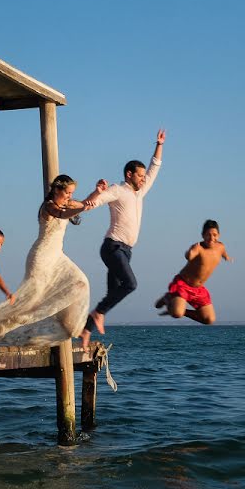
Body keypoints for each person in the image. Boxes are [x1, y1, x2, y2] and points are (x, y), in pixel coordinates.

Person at [0, 175, 106, 347]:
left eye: (71, 193)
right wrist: (80, 209)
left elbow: (85, 204)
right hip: (41, 258)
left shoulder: (67, 204)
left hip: (58, 257)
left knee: (81, 283)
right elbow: (62, 214)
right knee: (29, 304)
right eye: (67, 192)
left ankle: (66, 323)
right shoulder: (48, 207)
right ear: (56, 190)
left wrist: (96, 192)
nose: (69, 196)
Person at [80, 128, 166, 348]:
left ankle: (86, 330)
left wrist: (159, 145)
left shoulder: (140, 192)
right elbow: (94, 203)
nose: (143, 178)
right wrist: (95, 193)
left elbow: (154, 168)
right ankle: (97, 313)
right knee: (130, 284)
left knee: (112, 293)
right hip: (112, 247)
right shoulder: (118, 190)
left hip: (126, 251)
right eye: (139, 175)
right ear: (129, 174)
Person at [155, 219, 232, 325]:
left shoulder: (220, 246)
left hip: (198, 290)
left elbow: (223, 252)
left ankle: (182, 311)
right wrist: (189, 254)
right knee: (177, 314)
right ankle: (168, 298)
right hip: (183, 285)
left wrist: (226, 257)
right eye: (208, 235)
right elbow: (189, 255)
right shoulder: (198, 248)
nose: (211, 238)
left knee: (209, 320)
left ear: (219, 235)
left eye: (214, 235)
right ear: (203, 235)